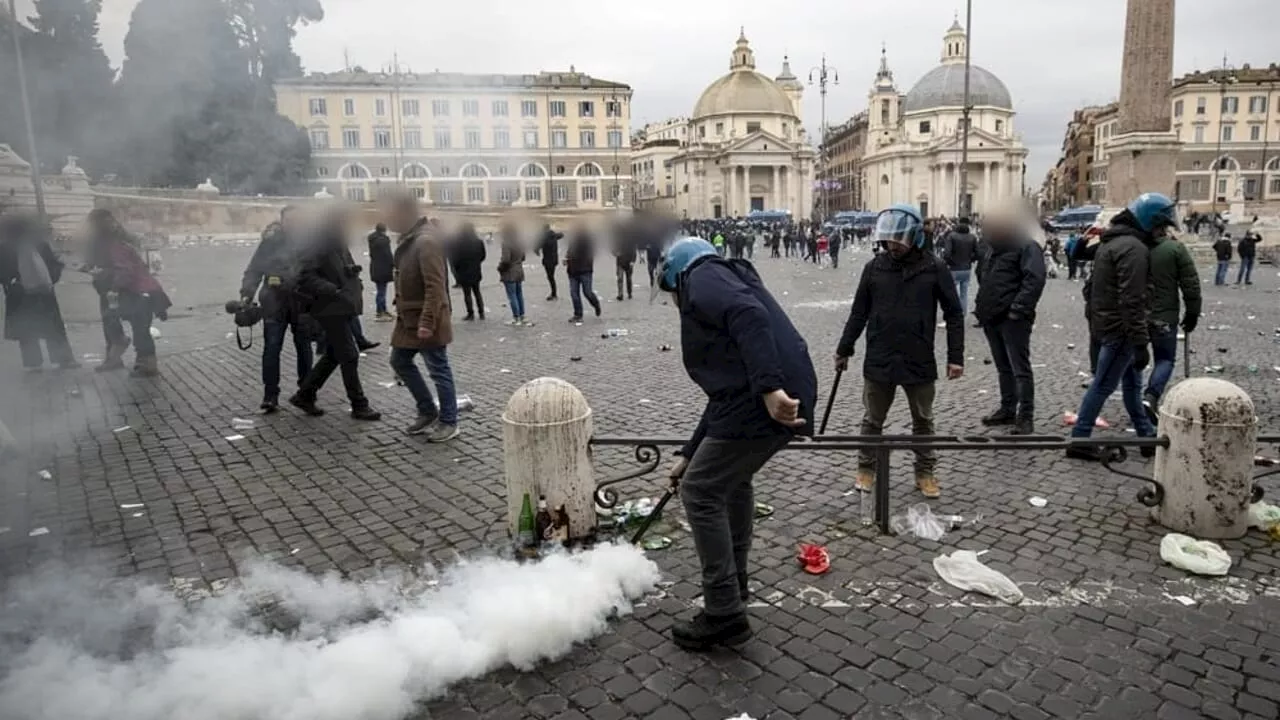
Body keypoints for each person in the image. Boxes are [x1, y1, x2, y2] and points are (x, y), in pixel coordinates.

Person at [658, 236, 816, 651]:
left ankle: (724, 611)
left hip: (769, 399)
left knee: (700, 493)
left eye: (671, 294)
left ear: (677, 274)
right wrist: (690, 456)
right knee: (731, 480)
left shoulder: (703, 277)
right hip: (761, 398)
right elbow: (722, 397)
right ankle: (736, 580)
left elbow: (749, 317)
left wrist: (769, 389)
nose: (675, 304)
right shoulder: (725, 276)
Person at [835, 204, 964, 499]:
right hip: (880, 353)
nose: (892, 246)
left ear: (914, 238)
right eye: (889, 240)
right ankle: (866, 470)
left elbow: (954, 314)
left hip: (918, 355)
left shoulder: (935, 267)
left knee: (923, 420)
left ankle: (925, 472)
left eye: (898, 240)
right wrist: (844, 348)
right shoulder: (874, 267)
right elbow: (859, 312)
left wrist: (955, 357)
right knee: (872, 420)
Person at [1066, 193, 1178, 461]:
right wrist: (1140, 341)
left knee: (1131, 385)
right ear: (1150, 222)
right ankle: (1080, 438)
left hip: (1111, 323)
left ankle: (1145, 433)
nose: (1163, 232)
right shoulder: (1134, 249)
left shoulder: (1114, 241)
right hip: (1121, 329)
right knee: (1103, 384)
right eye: (1161, 226)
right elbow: (1133, 298)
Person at [288, 206, 381, 421]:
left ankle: (305, 394)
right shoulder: (318, 243)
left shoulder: (337, 242)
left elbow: (338, 268)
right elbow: (305, 276)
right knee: (349, 355)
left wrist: (351, 275)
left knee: (333, 354)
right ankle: (359, 404)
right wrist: (333, 289)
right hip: (328, 307)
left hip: (341, 304)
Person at [382, 194, 459, 441]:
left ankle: (449, 421)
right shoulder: (410, 239)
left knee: (439, 369)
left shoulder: (426, 241)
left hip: (427, 318)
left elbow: (435, 287)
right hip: (409, 318)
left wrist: (427, 321)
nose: (388, 220)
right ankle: (427, 410)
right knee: (400, 360)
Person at [972, 207, 1047, 435]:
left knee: (1019, 368)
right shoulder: (991, 248)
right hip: (991, 316)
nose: (986, 231)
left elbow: (1034, 280)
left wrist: (1017, 310)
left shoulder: (1027, 246)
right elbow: (983, 276)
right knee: (1003, 367)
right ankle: (1007, 408)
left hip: (1013, 319)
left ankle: (1025, 416)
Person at [239, 206, 314, 412]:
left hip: (301, 301)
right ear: (282, 221)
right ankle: (270, 394)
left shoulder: (309, 242)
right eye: (290, 220)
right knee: (272, 349)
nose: (294, 224)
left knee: (304, 349)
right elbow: (254, 269)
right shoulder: (270, 242)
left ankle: (306, 393)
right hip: (274, 301)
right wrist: (247, 293)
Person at [85, 209, 170, 376]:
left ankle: (147, 365)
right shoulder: (117, 241)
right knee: (115, 322)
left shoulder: (116, 245)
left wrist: (113, 286)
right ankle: (119, 357)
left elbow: (126, 270)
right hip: (133, 290)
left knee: (139, 329)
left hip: (136, 291)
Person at [0, 213, 77, 371]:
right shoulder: (33, 244)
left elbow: (53, 265)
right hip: (36, 292)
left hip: (27, 293)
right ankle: (61, 359)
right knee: (47, 325)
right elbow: (55, 265)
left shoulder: (9, 247)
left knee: (29, 327)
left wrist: (12, 283)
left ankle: (36, 362)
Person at [1142, 224, 1201, 419]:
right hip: (1164, 316)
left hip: (1138, 315)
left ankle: (1134, 401)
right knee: (1165, 359)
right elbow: (1190, 283)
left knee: (1132, 360)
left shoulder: (1136, 247)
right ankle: (1151, 396)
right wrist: (1192, 313)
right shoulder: (1175, 249)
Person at [938, 217, 979, 315]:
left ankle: (954, 312)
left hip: (954, 268)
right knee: (964, 293)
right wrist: (970, 260)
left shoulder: (952, 236)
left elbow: (947, 254)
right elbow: (977, 253)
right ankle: (963, 312)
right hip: (967, 268)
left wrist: (950, 262)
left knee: (953, 293)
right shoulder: (972, 237)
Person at [565, 224, 601, 322]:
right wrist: (567, 259)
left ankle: (596, 304)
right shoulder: (573, 241)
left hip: (585, 271)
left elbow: (589, 255)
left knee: (587, 292)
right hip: (572, 271)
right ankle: (578, 314)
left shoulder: (588, 241)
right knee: (574, 293)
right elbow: (569, 253)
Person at [451, 222, 486, 321]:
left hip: (464, 271)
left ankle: (470, 313)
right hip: (476, 270)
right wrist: (476, 263)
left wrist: (457, 270)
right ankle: (481, 312)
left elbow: (455, 259)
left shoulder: (458, 243)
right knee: (477, 292)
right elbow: (483, 256)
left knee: (467, 294)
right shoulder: (478, 242)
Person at [497, 223, 527, 325]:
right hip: (519, 270)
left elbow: (505, 260)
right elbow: (523, 257)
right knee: (519, 294)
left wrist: (500, 268)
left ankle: (516, 317)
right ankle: (522, 316)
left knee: (512, 295)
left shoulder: (506, 243)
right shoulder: (519, 242)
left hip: (510, 272)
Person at [367, 222, 394, 321]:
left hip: (375, 267)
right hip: (383, 269)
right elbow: (388, 255)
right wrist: (393, 264)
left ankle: (382, 309)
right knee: (382, 291)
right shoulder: (384, 241)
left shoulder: (372, 239)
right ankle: (380, 312)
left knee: (380, 290)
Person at [613, 227, 637, 301]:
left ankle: (629, 292)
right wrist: (615, 253)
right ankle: (620, 294)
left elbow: (634, 251)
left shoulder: (631, 240)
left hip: (629, 262)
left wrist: (633, 261)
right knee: (620, 278)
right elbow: (613, 249)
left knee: (628, 279)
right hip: (620, 262)